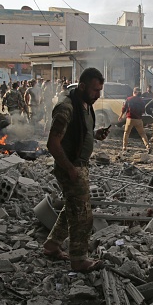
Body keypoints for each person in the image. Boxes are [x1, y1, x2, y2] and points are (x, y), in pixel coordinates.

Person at [42, 67, 110, 273]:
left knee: (72, 207)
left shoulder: (85, 105)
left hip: (79, 165)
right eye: (94, 90)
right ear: (82, 86)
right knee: (82, 216)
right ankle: (78, 259)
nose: (97, 95)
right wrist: (70, 169)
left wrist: (95, 135)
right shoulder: (67, 107)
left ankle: (52, 246)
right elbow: (53, 143)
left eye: (100, 90)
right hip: (71, 166)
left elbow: (80, 131)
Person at [119, 87, 150, 153]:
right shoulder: (141, 101)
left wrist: (121, 116)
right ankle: (147, 146)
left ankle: (124, 147)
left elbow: (124, 108)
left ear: (134, 92)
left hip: (130, 119)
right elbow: (143, 110)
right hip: (138, 119)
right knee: (142, 133)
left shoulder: (129, 99)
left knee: (126, 133)